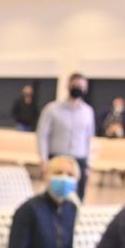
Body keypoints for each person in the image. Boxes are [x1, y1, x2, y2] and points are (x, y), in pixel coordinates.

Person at [37, 72, 96, 200]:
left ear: (85, 88)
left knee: (77, 197)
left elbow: (89, 139)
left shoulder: (88, 112)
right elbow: (42, 135)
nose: (78, 88)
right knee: (53, 196)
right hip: (57, 157)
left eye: (81, 86)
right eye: (75, 85)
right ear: (68, 86)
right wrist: (43, 159)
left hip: (79, 159)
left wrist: (89, 164)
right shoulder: (51, 109)